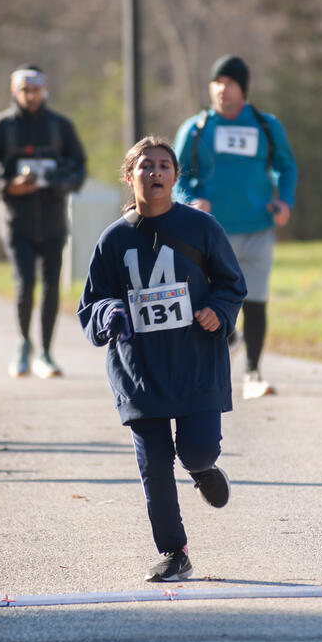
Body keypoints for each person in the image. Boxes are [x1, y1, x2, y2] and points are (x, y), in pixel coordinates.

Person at [78, 136, 246, 583]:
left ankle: (202, 468)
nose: (154, 173)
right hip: (140, 371)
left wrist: (220, 311)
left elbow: (232, 284)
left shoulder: (202, 228)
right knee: (154, 463)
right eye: (145, 166)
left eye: (163, 166)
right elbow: (89, 304)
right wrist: (108, 312)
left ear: (175, 176)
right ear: (129, 176)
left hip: (195, 363)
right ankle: (174, 551)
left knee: (196, 448)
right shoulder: (113, 240)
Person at [173, 54, 297, 400]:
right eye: (216, 83)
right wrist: (189, 199)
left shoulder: (266, 126)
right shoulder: (196, 129)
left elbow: (285, 167)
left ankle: (253, 373)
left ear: (243, 89)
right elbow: (176, 174)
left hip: (257, 228)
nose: (221, 90)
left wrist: (285, 201)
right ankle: (228, 343)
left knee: (255, 301)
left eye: (228, 83)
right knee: (213, 303)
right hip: (210, 235)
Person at [0, 63, 86, 378]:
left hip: (52, 220)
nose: (30, 96)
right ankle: (23, 345)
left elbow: (79, 167)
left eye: (35, 90)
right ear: (14, 91)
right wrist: (7, 185)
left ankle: (46, 353)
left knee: (51, 286)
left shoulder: (60, 127)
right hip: (16, 221)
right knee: (25, 284)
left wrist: (60, 182)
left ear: (44, 90)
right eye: (24, 90)